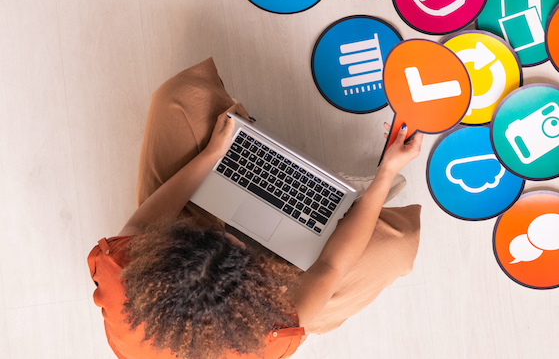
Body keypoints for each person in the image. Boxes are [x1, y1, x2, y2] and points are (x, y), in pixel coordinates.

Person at [87, 59, 423, 359]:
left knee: (181, 97)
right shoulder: (268, 338)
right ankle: (345, 204)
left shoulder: (121, 270)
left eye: (216, 236)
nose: (239, 238)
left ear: (165, 250)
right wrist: (386, 173)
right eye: (243, 253)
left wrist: (213, 154)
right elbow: (332, 264)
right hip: (276, 313)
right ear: (251, 296)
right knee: (395, 246)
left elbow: (146, 220)